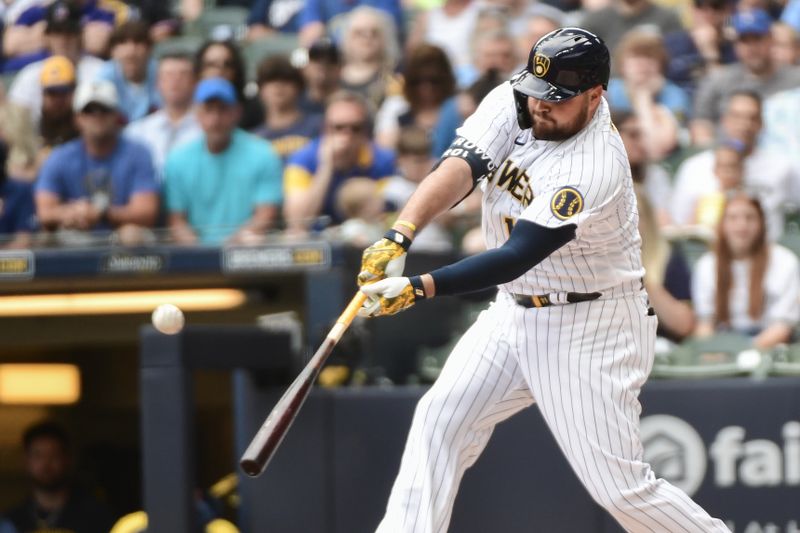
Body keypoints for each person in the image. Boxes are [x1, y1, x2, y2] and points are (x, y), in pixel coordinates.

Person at [356, 28, 730, 533]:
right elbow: (463, 166)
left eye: (556, 99)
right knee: (440, 421)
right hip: (513, 312)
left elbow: (518, 254)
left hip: (590, 324)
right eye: (537, 92)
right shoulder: (517, 97)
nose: (540, 106)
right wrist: (399, 235)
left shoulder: (594, 163)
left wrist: (418, 287)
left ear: (596, 96)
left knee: (621, 490)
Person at [35, 80, 159, 241]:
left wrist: (102, 213)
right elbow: (44, 212)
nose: (97, 116)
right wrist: (73, 213)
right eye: (89, 110)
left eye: (104, 109)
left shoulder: (138, 153)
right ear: (77, 118)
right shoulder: (60, 156)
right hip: (75, 231)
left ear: (116, 115)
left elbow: (146, 212)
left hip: (119, 236)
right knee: (48, 237)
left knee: (132, 235)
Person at [164, 78, 283, 244]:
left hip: (246, 255)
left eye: (223, 109)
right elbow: (177, 220)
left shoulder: (263, 153)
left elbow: (265, 214)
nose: (215, 118)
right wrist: (200, 254)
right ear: (197, 114)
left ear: (237, 112)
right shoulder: (177, 160)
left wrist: (226, 250)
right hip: (195, 258)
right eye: (208, 109)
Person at [671, 90, 800, 240]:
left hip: (766, 252)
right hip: (706, 252)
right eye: (737, 116)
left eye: (752, 118)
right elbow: (678, 223)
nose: (745, 124)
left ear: (762, 124)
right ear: (725, 120)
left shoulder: (782, 167)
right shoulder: (693, 167)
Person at [693, 193, 800, 350]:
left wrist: (746, 352)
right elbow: (705, 324)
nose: (742, 225)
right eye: (733, 218)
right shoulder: (706, 264)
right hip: (723, 343)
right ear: (722, 224)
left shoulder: (785, 261)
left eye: (750, 217)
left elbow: (783, 327)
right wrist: (709, 350)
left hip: (770, 345)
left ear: (762, 223)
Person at [283, 90, 396, 232]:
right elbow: (297, 222)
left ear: (366, 130)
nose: (347, 135)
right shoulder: (302, 159)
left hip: (366, 240)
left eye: (355, 128)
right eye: (338, 127)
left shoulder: (383, 160)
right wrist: (326, 167)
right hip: (317, 244)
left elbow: (386, 217)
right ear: (325, 128)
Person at [691, 8, 800, 145]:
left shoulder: (796, 79)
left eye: (757, 39)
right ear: (735, 45)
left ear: (771, 39)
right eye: (744, 41)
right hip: (730, 157)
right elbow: (701, 124)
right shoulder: (719, 79)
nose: (752, 47)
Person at [6, 421, 115, 533]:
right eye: (38, 455)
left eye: (54, 455)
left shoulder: (95, 517)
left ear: (67, 459)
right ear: (26, 460)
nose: (46, 464)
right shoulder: (12, 521)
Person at [8, 1, 104, 125]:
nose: (63, 40)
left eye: (69, 33)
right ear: (46, 37)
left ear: (80, 35)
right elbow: (16, 124)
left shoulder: (99, 70)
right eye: (57, 33)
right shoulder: (30, 74)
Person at [607, 30, 689, 157]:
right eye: (635, 58)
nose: (642, 64)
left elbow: (658, 150)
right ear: (622, 64)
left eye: (650, 58)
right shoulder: (609, 91)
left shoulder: (674, 95)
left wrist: (643, 98)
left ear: (661, 65)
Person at [126, 52, 201, 180]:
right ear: (157, 83)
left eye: (183, 74)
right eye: (168, 75)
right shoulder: (137, 132)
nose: (176, 80)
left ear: (195, 82)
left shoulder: (207, 130)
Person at [375, 44, 456, 149]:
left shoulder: (458, 108)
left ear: (446, 80)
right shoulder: (396, 108)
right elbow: (384, 149)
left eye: (434, 80)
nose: (426, 87)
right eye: (418, 81)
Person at [251, 55, 322, 161]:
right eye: (270, 80)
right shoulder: (254, 140)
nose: (278, 86)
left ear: (299, 87)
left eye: (286, 80)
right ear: (261, 90)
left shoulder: (319, 126)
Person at [663, 0, 736, 99]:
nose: (708, 12)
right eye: (700, 5)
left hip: (714, 106)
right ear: (692, 9)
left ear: (728, 11)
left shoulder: (736, 47)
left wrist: (710, 53)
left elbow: (725, 93)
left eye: (716, 6)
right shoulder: (670, 43)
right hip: (676, 105)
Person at [613, 110, 673, 225]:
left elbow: (664, 221)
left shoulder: (655, 175)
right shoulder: (596, 176)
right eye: (633, 135)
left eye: (643, 135)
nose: (641, 143)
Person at [338, 6, 400, 110]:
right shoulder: (334, 76)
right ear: (346, 39)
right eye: (359, 33)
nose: (367, 37)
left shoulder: (395, 77)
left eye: (374, 33)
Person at [96, 21, 160, 122]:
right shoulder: (103, 77)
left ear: (150, 49)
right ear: (113, 51)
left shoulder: (162, 73)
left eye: (138, 42)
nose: (131, 51)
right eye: (123, 43)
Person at [580, 0, 683, 53]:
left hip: (658, 84)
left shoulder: (668, 18)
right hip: (607, 85)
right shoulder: (595, 20)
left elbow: (678, 60)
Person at [38, 55, 80, 153]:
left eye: (63, 92)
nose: (58, 100)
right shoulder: (33, 124)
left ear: (74, 92)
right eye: (52, 93)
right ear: (43, 94)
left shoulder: (84, 124)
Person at [299, 37, 342, 116]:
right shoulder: (294, 102)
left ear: (339, 69)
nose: (323, 65)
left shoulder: (348, 104)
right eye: (316, 60)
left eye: (331, 61)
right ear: (305, 68)